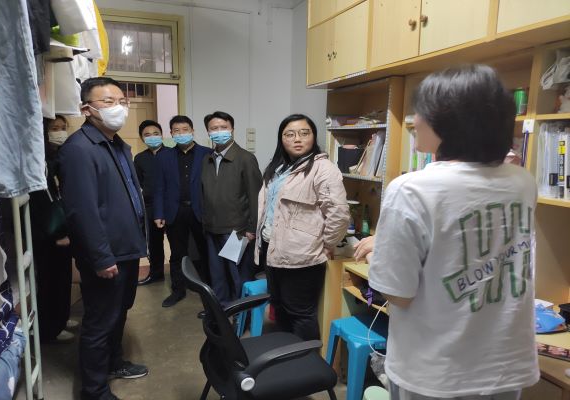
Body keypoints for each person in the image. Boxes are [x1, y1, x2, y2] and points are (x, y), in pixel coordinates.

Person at [365, 65, 539, 399]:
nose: (414, 121)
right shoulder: (522, 182)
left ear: (451, 121)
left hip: (436, 373)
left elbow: (398, 293)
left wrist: (378, 251)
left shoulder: (411, 189)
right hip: (505, 368)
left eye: (421, 112)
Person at [59, 77, 149, 400]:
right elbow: (81, 211)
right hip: (106, 254)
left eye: (122, 101)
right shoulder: (79, 150)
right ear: (87, 109)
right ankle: (94, 391)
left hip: (125, 249)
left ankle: (114, 362)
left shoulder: (116, 144)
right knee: (99, 322)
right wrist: (101, 256)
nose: (119, 108)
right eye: (108, 102)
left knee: (118, 313)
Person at [255, 114, 349, 340]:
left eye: (304, 133)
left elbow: (338, 213)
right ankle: (286, 353)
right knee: (279, 306)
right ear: (281, 139)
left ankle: (305, 358)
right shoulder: (278, 167)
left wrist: (326, 244)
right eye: (289, 134)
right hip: (271, 248)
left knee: (300, 313)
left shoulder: (322, 168)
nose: (297, 139)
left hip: (302, 255)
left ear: (313, 136)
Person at [201, 111, 262, 306]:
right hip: (212, 228)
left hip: (237, 231)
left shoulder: (245, 158)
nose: (219, 131)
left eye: (223, 127)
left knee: (237, 276)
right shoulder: (208, 159)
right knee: (217, 274)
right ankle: (221, 310)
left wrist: (252, 229)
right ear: (208, 132)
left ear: (232, 129)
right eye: (214, 128)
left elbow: (256, 196)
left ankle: (241, 313)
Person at [153, 115, 212, 307]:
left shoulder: (207, 154)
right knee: (177, 253)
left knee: (206, 252)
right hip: (175, 211)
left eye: (185, 130)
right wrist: (159, 213)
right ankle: (178, 290)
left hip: (200, 211)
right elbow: (159, 187)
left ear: (193, 131)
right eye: (176, 131)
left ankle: (208, 290)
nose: (181, 134)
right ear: (171, 134)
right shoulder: (163, 156)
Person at [30, 115, 74, 343]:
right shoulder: (39, 159)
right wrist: (57, 233)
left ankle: (61, 319)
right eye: (54, 128)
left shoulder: (59, 155)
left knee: (63, 278)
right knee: (50, 281)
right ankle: (50, 329)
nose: (59, 132)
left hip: (61, 228)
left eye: (63, 127)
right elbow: (43, 200)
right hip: (49, 233)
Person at [134, 120, 166, 285]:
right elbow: (138, 183)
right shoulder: (140, 158)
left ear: (162, 135)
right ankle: (156, 273)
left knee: (178, 242)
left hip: (170, 204)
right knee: (154, 243)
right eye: (147, 135)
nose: (152, 137)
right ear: (142, 138)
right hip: (150, 206)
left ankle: (183, 276)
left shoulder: (171, 154)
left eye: (155, 134)